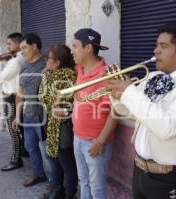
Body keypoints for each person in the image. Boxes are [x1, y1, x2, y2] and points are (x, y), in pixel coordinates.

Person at [106, 22, 176, 199]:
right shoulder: (155, 77)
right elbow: (125, 110)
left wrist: (128, 91)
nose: (156, 51)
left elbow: (168, 128)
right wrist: (116, 94)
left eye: (163, 46)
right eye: (157, 45)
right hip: (140, 171)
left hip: (170, 178)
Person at [71, 28, 117, 199]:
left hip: (94, 141)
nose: (72, 51)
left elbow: (115, 111)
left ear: (88, 48)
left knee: (97, 188)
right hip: (78, 137)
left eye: (75, 46)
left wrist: (100, 141)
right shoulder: (79, 69)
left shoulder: (107, 74)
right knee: (83, 181)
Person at [0, 32, 28, 171]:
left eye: (9, 44)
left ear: (18, 44)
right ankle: (24, 151)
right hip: (16, 94)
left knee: (13, 130)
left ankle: (16, 160)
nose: (7, 47)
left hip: (12, 97)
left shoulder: (16, 61)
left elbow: (0, 78)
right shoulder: (21, 57)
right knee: (20, 128)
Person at [38, 44, 78, 199]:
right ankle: (59, 190)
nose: (46, 61)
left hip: (63, 125)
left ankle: (69, 193)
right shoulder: (52, 73)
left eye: (49, 58)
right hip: (53, 124)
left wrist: (45, 77)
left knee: (67, 163)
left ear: (58, 62)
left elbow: (45, 98)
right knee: (58, 160)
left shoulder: (67, 75)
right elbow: (44, 97)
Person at [12, 33, 47, 187]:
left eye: (24, 48)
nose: (22, 52)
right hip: (28, 115)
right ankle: (39, 174)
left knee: (48, 151)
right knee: (30, 146)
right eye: (20, 49)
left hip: (44, 116)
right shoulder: (24, 66)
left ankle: (56, 183)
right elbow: (20, 94)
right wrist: (17, 116)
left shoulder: (48, 63)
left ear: (34, 46)